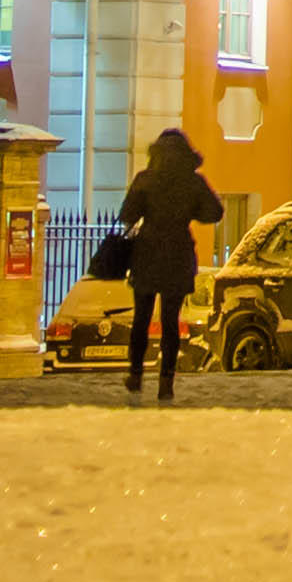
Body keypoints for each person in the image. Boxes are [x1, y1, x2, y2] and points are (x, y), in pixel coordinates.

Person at [117, 127, 223, 401]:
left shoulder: (146, 180)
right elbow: (215, 212)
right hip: (178, 253)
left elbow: (127, 215)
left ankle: (136, 374)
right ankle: (166, 382)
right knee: (170, 321)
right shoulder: (193, 182)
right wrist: (190, 211)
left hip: (147, 253)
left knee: (141, 318)